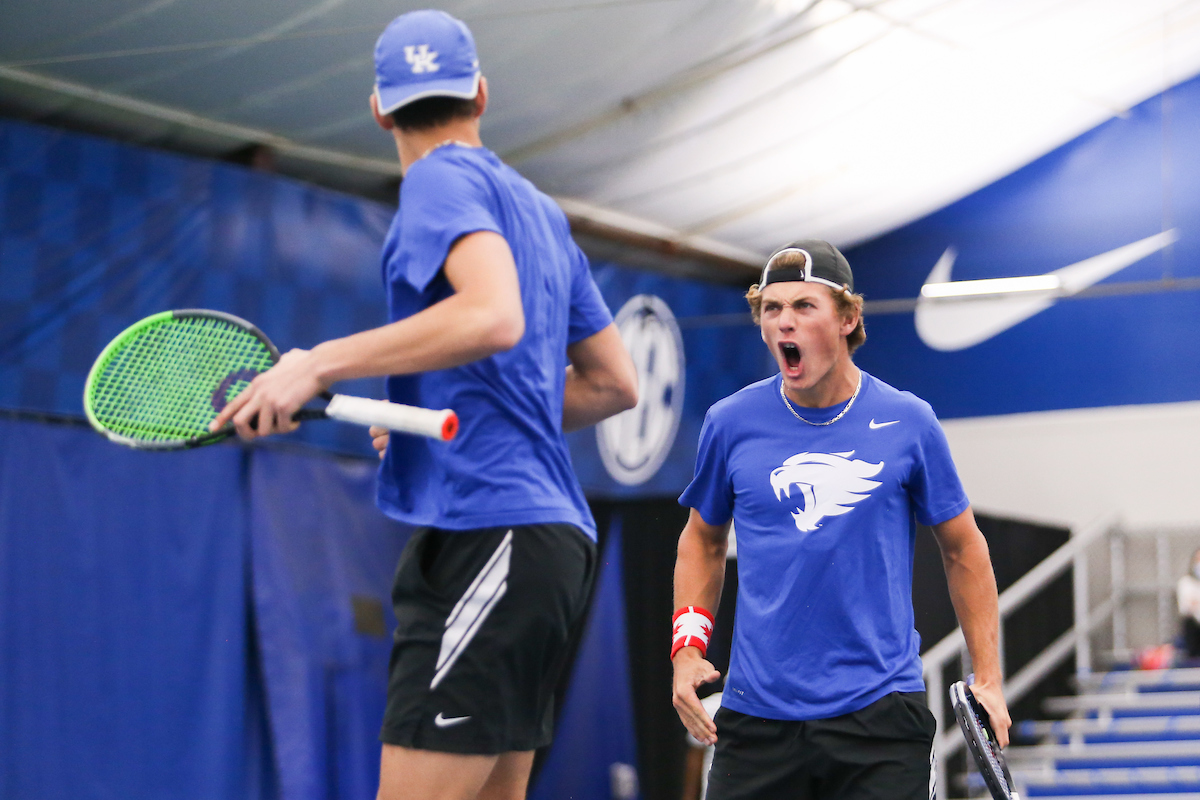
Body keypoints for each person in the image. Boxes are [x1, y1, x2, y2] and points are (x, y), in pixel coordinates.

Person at [212, 10, 638, 800]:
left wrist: (317, 363)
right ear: (479, 92)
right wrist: (468, 422)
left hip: (494, 533)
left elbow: (492, 316)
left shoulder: (438, 178)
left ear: (379, 107)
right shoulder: (542, 214)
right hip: (547, 544)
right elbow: (616, 383)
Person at [669, 240, 1009, 799]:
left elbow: (964, 550)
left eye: (805, 306)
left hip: (878, 720)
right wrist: (687, 653)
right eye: (772, 308)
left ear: (849, 318)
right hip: (756, 721)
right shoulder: (729, 423)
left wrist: (989, 679)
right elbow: (703, 542)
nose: (785, 322)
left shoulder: (909, 422)